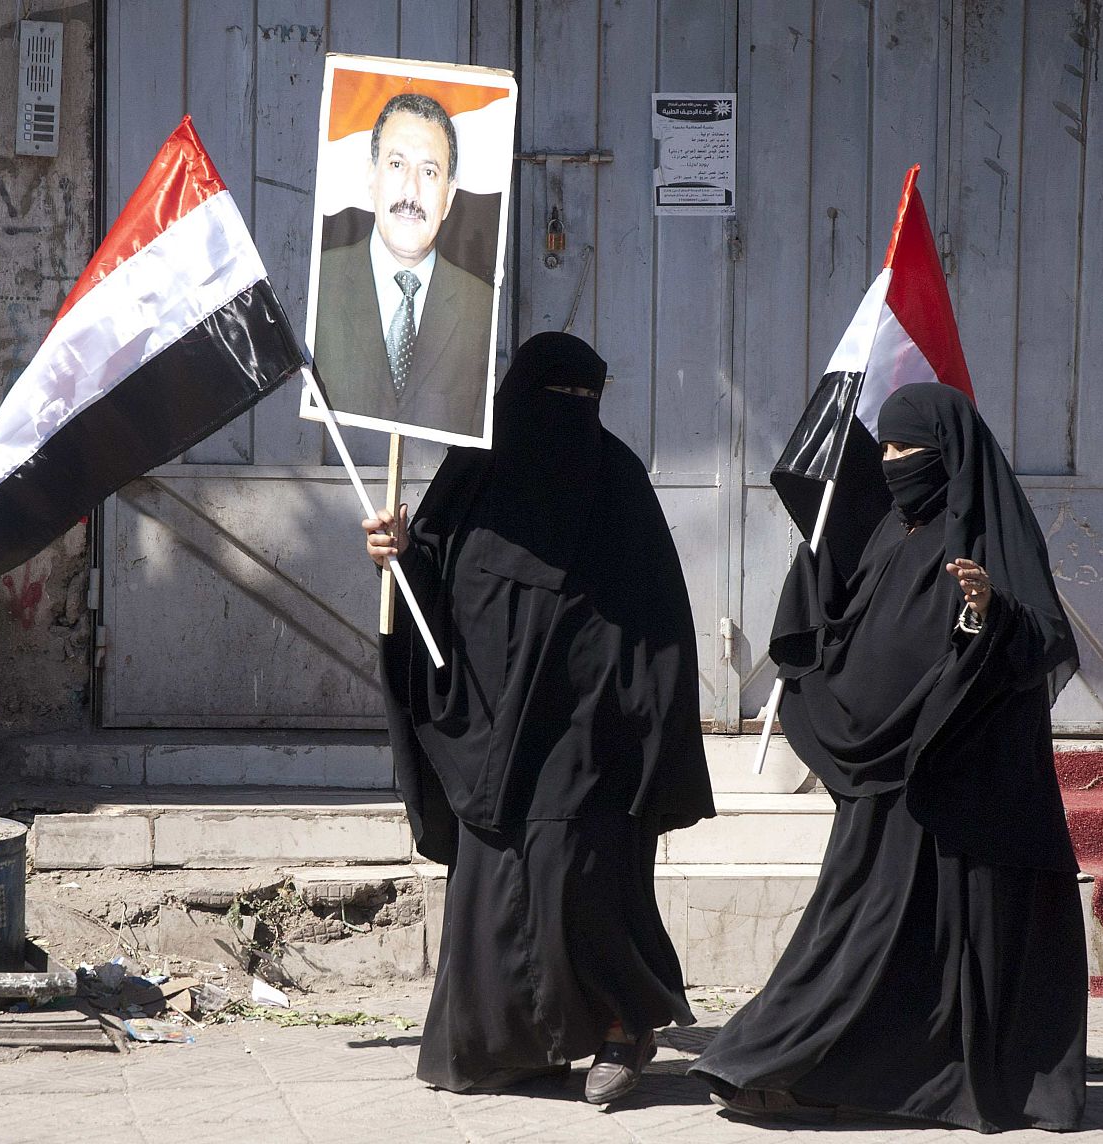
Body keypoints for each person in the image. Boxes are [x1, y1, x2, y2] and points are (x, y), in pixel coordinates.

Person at [689, 382, 1087, 1133]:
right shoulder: (891, 531)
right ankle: (796, 1063)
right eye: (886, 448)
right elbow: (850, 620)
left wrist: (986, 613)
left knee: (901, 937)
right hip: (885, 779)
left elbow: (1038, 639)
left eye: (908, 449)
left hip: (955, 784)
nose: (892, 461)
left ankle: (799, 1067)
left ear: (950, 456)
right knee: (859, 927)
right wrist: (812, 582)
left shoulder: (991, 536)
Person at [361, 331, 715, 1104]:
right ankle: (514, 1042)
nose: (569, 418)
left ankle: (626, 1029)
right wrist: (397, 554)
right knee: (494, 894)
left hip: (590, 734)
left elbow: (660, 627)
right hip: (490, 725)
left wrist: (648, 737)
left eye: (584, 403)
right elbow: (429, 585)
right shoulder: (473, 471)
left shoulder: (617, 481)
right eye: (554, 401)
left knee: (584, 883)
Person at [316, 91, 494, 449]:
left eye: (429, 172)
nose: (411, 191)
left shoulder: (484, 309)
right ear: (371, 177)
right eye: (397, 165)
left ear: (449, 196)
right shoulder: (319, 287)